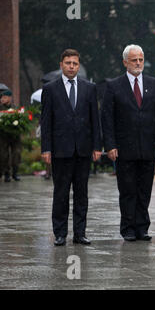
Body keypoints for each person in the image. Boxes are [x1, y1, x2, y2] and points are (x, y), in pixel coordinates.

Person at [102, 44, 155, 242]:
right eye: (134, 60)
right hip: (124, 148)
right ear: (125, 62)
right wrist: (110, 145)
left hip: (148, 147)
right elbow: (107, 118)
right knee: (127, 189)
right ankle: (128, 227)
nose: (138, 63)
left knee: (145, 189)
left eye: (140, 59)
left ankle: (142, 227)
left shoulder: (154, 84)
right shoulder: (113, 86)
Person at [40, 49, 102, 246]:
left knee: (82, 193)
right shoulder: (50, 89)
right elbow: (46, 121)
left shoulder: (90, 88)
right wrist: (46, 149)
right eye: (68, 63)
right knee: (61, 192)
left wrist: (97, 146)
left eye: (75, 63)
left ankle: (80, 233)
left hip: (83, 150)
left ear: (79, 65)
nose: (71, 66)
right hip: (60, 150)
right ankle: (59, 233)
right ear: (61, 65)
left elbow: (95, 120)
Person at [0, 90, 22, 182]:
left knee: (16, 154)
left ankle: (15, 173)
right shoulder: (0, 109)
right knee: (3, 155)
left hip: (15, 136)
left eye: (4, 97)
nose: (2, 99)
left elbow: (21, 120)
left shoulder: (16, 108)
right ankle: (6, 174)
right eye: (1, 98)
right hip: (3, 136)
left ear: (10, 98)